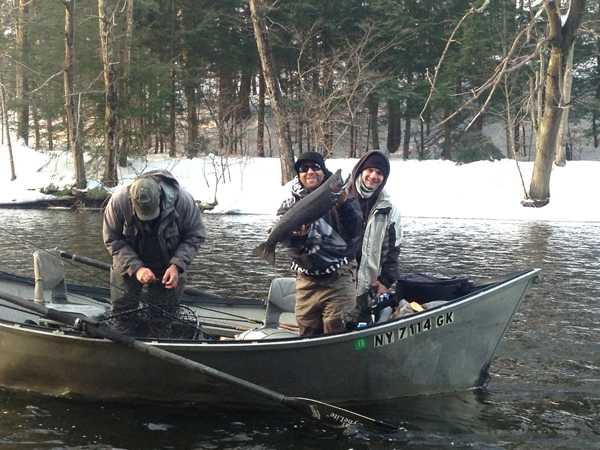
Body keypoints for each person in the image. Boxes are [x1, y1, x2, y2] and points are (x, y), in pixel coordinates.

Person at [103, 169, 206, 337]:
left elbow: (195, 235)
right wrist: (137, 268)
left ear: (159, 196)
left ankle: (158, 348)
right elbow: (112, 239)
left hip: (167, 262)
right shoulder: (119, 201)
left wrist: (177, 265)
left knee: (163, 316)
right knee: (122, 313)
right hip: (128, 260)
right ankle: (122, 350)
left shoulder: (183, 201)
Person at [277, 151, 364, 336]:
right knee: (307, 335)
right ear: (299, 174)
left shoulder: (345, 197)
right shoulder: (289, 205)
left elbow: (354, 232)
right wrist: (298, 238)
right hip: (307, 282)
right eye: (303, 168)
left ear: (323, 171)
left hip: (339, 279)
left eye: (315, 167)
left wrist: (342, 206)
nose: (310, 172)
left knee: (336, 332)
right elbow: (290, 245)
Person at [346, 150, 402, 324]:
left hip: (365, 285)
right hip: (336, 282)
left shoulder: (389, 209)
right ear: (360, 170)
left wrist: (385, 281)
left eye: (379, 173)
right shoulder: (340, 197)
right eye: (369, 170)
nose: (373, 176)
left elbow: (392, 250)